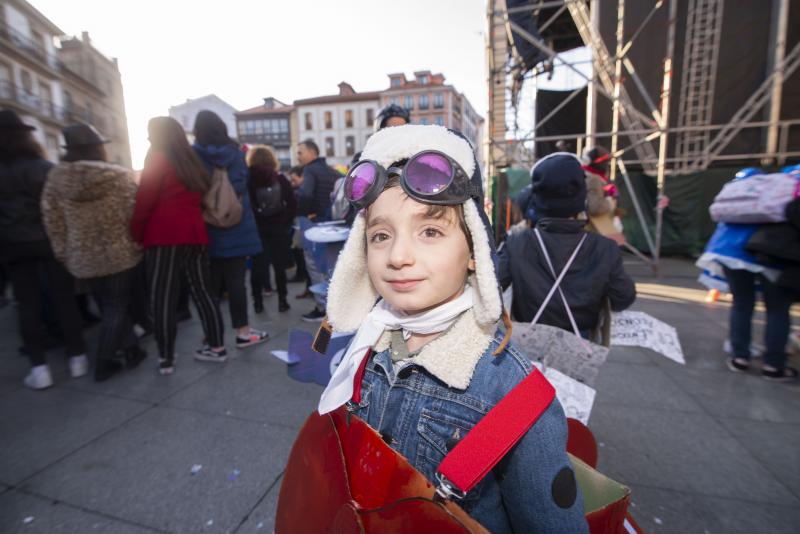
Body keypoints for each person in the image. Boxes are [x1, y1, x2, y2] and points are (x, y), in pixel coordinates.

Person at [316, 124, 587, 532]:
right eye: (380, 235)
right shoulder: (368, 347)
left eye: (430, 231)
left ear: (475, 249)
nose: (398, 256)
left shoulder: (514, 396)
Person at [41, 123, 146, 382]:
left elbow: (52, 221)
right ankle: (103, 362)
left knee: (107, 303)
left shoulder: (56, 180)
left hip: (82, 255)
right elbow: (134, 213)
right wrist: (137, 241)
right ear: (98, 148)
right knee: (117, 305)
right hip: (119, 250)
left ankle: (132, 349)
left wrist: (63, 252)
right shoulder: (119, 177)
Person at [498, 152, 636, 335]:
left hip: (527, 341)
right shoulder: (604, 248)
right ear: (581, 196)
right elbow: (623, 298)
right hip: (581, 344)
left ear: (536, 195)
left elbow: (492, 288)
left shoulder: (516, 242)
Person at [0, 109, 88, 389]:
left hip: (13, 245)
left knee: (27, 305)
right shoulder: (43, 168)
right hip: (49, 239)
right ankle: (78, 358)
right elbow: (65, 206)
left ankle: (39, 369)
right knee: (64, 298)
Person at [130, 116, 226, 374]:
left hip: (164, 235)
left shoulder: (157, 157)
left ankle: (166, 357)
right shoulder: (191, 160)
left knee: (162, 297)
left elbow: (144, 201)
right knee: (203, 292)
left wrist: (136, 234)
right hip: (195, 233)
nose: (148, 137)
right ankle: (217, 346)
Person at [696, 168, 797, 381]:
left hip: (728, 249)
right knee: (777, 309)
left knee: (742, 304)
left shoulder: (745, 190)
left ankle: (739, 357)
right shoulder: (786, 189)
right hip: (770, 252)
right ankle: (773, 365)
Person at [192, 110, 268, 348]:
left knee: (210, 286)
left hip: (209, 226)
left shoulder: (194, 155)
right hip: (237, 224)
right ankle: (243, 332)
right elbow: (241, 186)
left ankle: (211, 335)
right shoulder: (235, 153)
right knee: (237, 282)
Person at [247, 145, 296, 313]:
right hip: (277, 227)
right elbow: (292, 202)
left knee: (257, 266)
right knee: (278, 266)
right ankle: (283, 301)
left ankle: (257, 303)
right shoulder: (279, 178)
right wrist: (285, 222)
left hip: (256, 229)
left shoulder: (248, 179)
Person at [296, 139, 340, 321]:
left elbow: (306, 194)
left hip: (314, 225)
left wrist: (303, 212)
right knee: (331, 267)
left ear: (312, 153)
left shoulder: (310, 170)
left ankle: (322, 308)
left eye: (300, 152)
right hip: (333, 225)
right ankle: (335, 307)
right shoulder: (331, 171)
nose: (298, 156)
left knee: (314, 265)